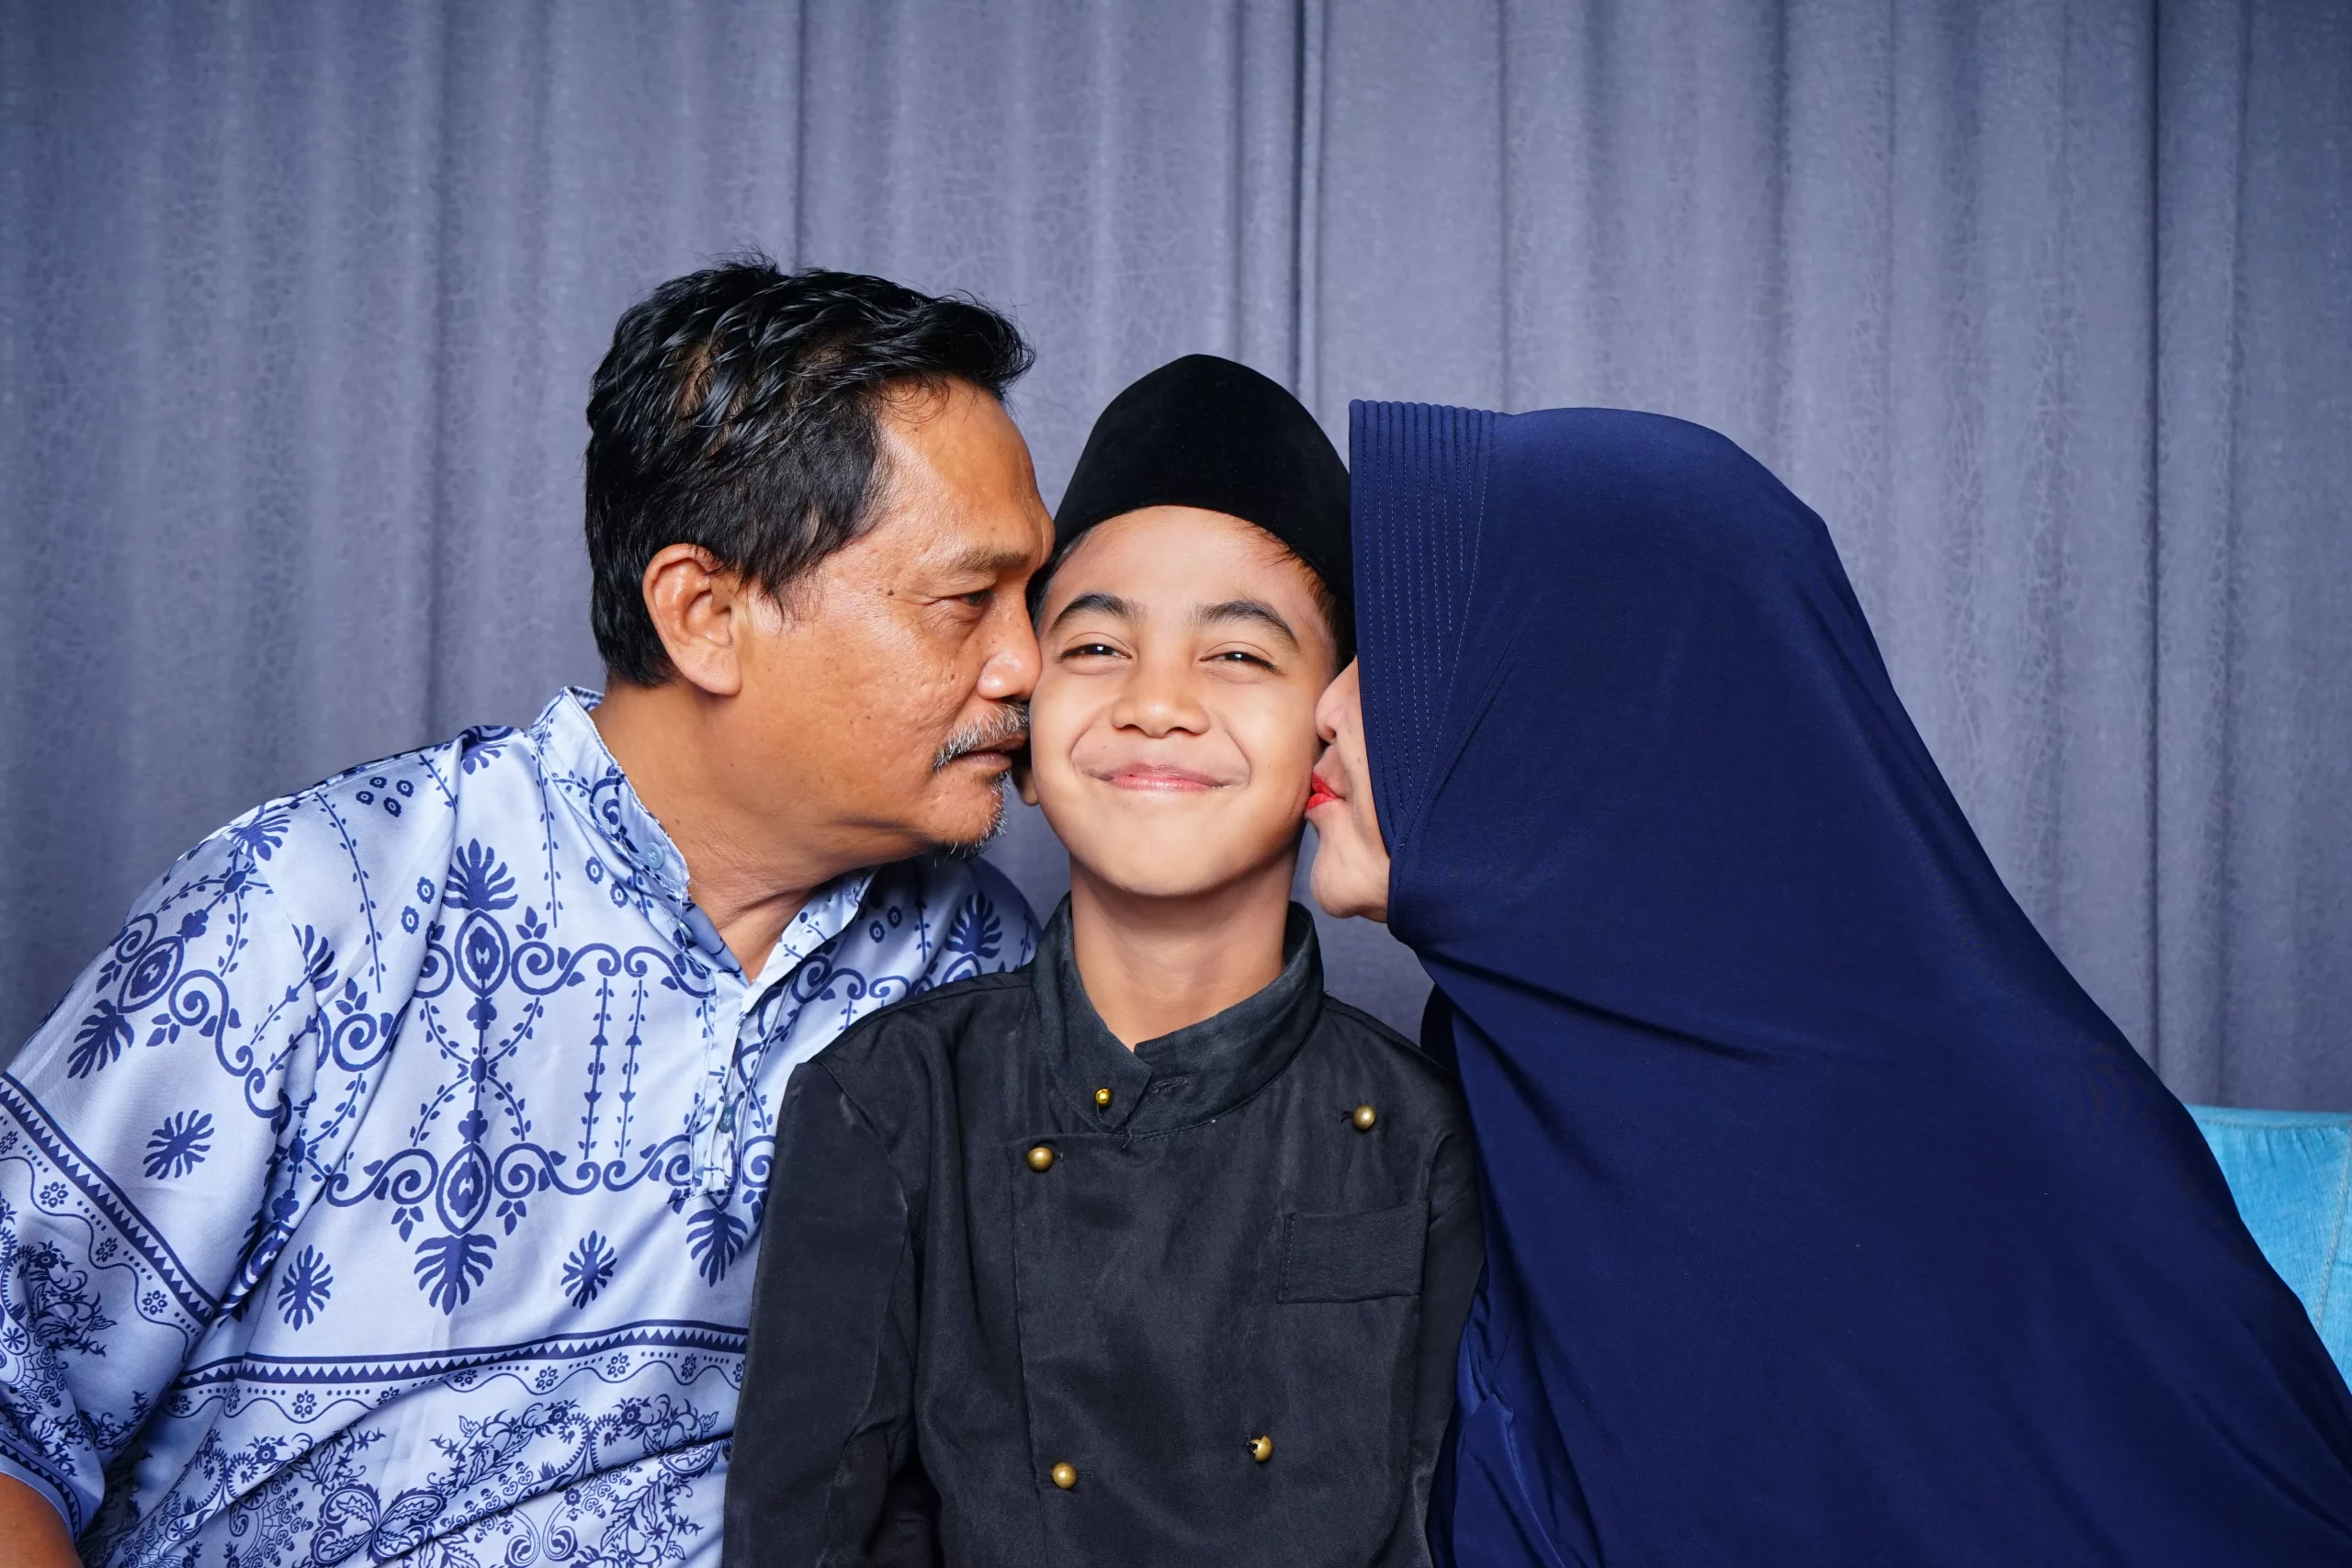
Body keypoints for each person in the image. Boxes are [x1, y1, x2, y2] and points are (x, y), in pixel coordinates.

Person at [0, 261, 1056, 1568]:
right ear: (706, 613)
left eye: (1034, 600)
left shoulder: (977, 960)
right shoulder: (315, 905)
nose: (1027, 663)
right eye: (968, 602)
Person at [1304, 399, 2352, 1564]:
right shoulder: (1511, 1084)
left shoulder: (1980, 1152)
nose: (1324, 707)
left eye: (1401, 650)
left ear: (1580, 707)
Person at [723, 356, 1481, 1568]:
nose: (1156, 702)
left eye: (1238, 655)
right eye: (1095, 647)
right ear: (1025, 737)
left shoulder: (1424, 1135)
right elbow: (809, 1536)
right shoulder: (888, 1100)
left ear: (1333, 738)